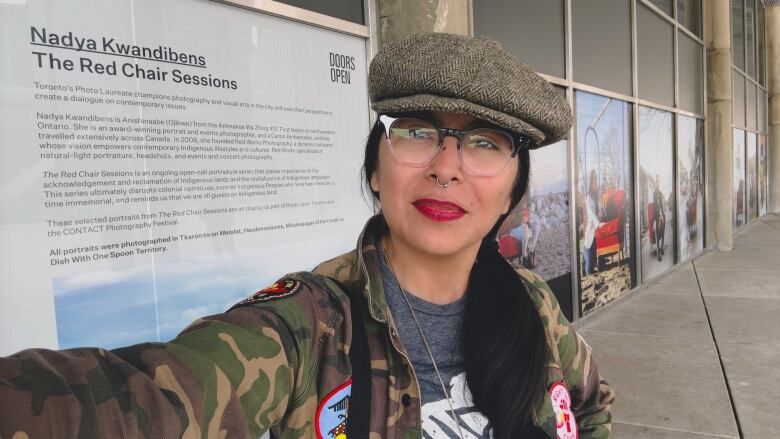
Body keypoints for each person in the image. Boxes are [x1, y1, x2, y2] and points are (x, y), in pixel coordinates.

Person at [0, 33, 613, 438]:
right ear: (376, 170)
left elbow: (590, 405)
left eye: (484, 142)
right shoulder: (311, 326)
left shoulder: (530, 304)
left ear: (512, 191)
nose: (446, 166)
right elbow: (147, 400)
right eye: (418, 131)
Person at [583, 169, 602, 275]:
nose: (595, 181)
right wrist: (599, 224)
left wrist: (602, 211)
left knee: (599, 264)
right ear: (590, 182)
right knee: (589, 270)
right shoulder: (588, 198)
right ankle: (584, 259)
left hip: (598, 235)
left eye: (596, 178)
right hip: (590, 237)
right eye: (593, 179)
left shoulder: (597, 196)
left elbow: (601, 209)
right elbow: (592, 215)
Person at [653, 174, 665, 261]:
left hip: (661, 213)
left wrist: (662, 213)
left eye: (658, 181)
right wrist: (659, 214)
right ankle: (658, 253)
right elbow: (655, 206)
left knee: (662, 231)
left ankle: (662, 247)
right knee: (657, 232)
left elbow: (661, 205)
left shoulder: (660, 193)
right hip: (656, 215)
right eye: (656, 181)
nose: (657, 183)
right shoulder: (654, 193)